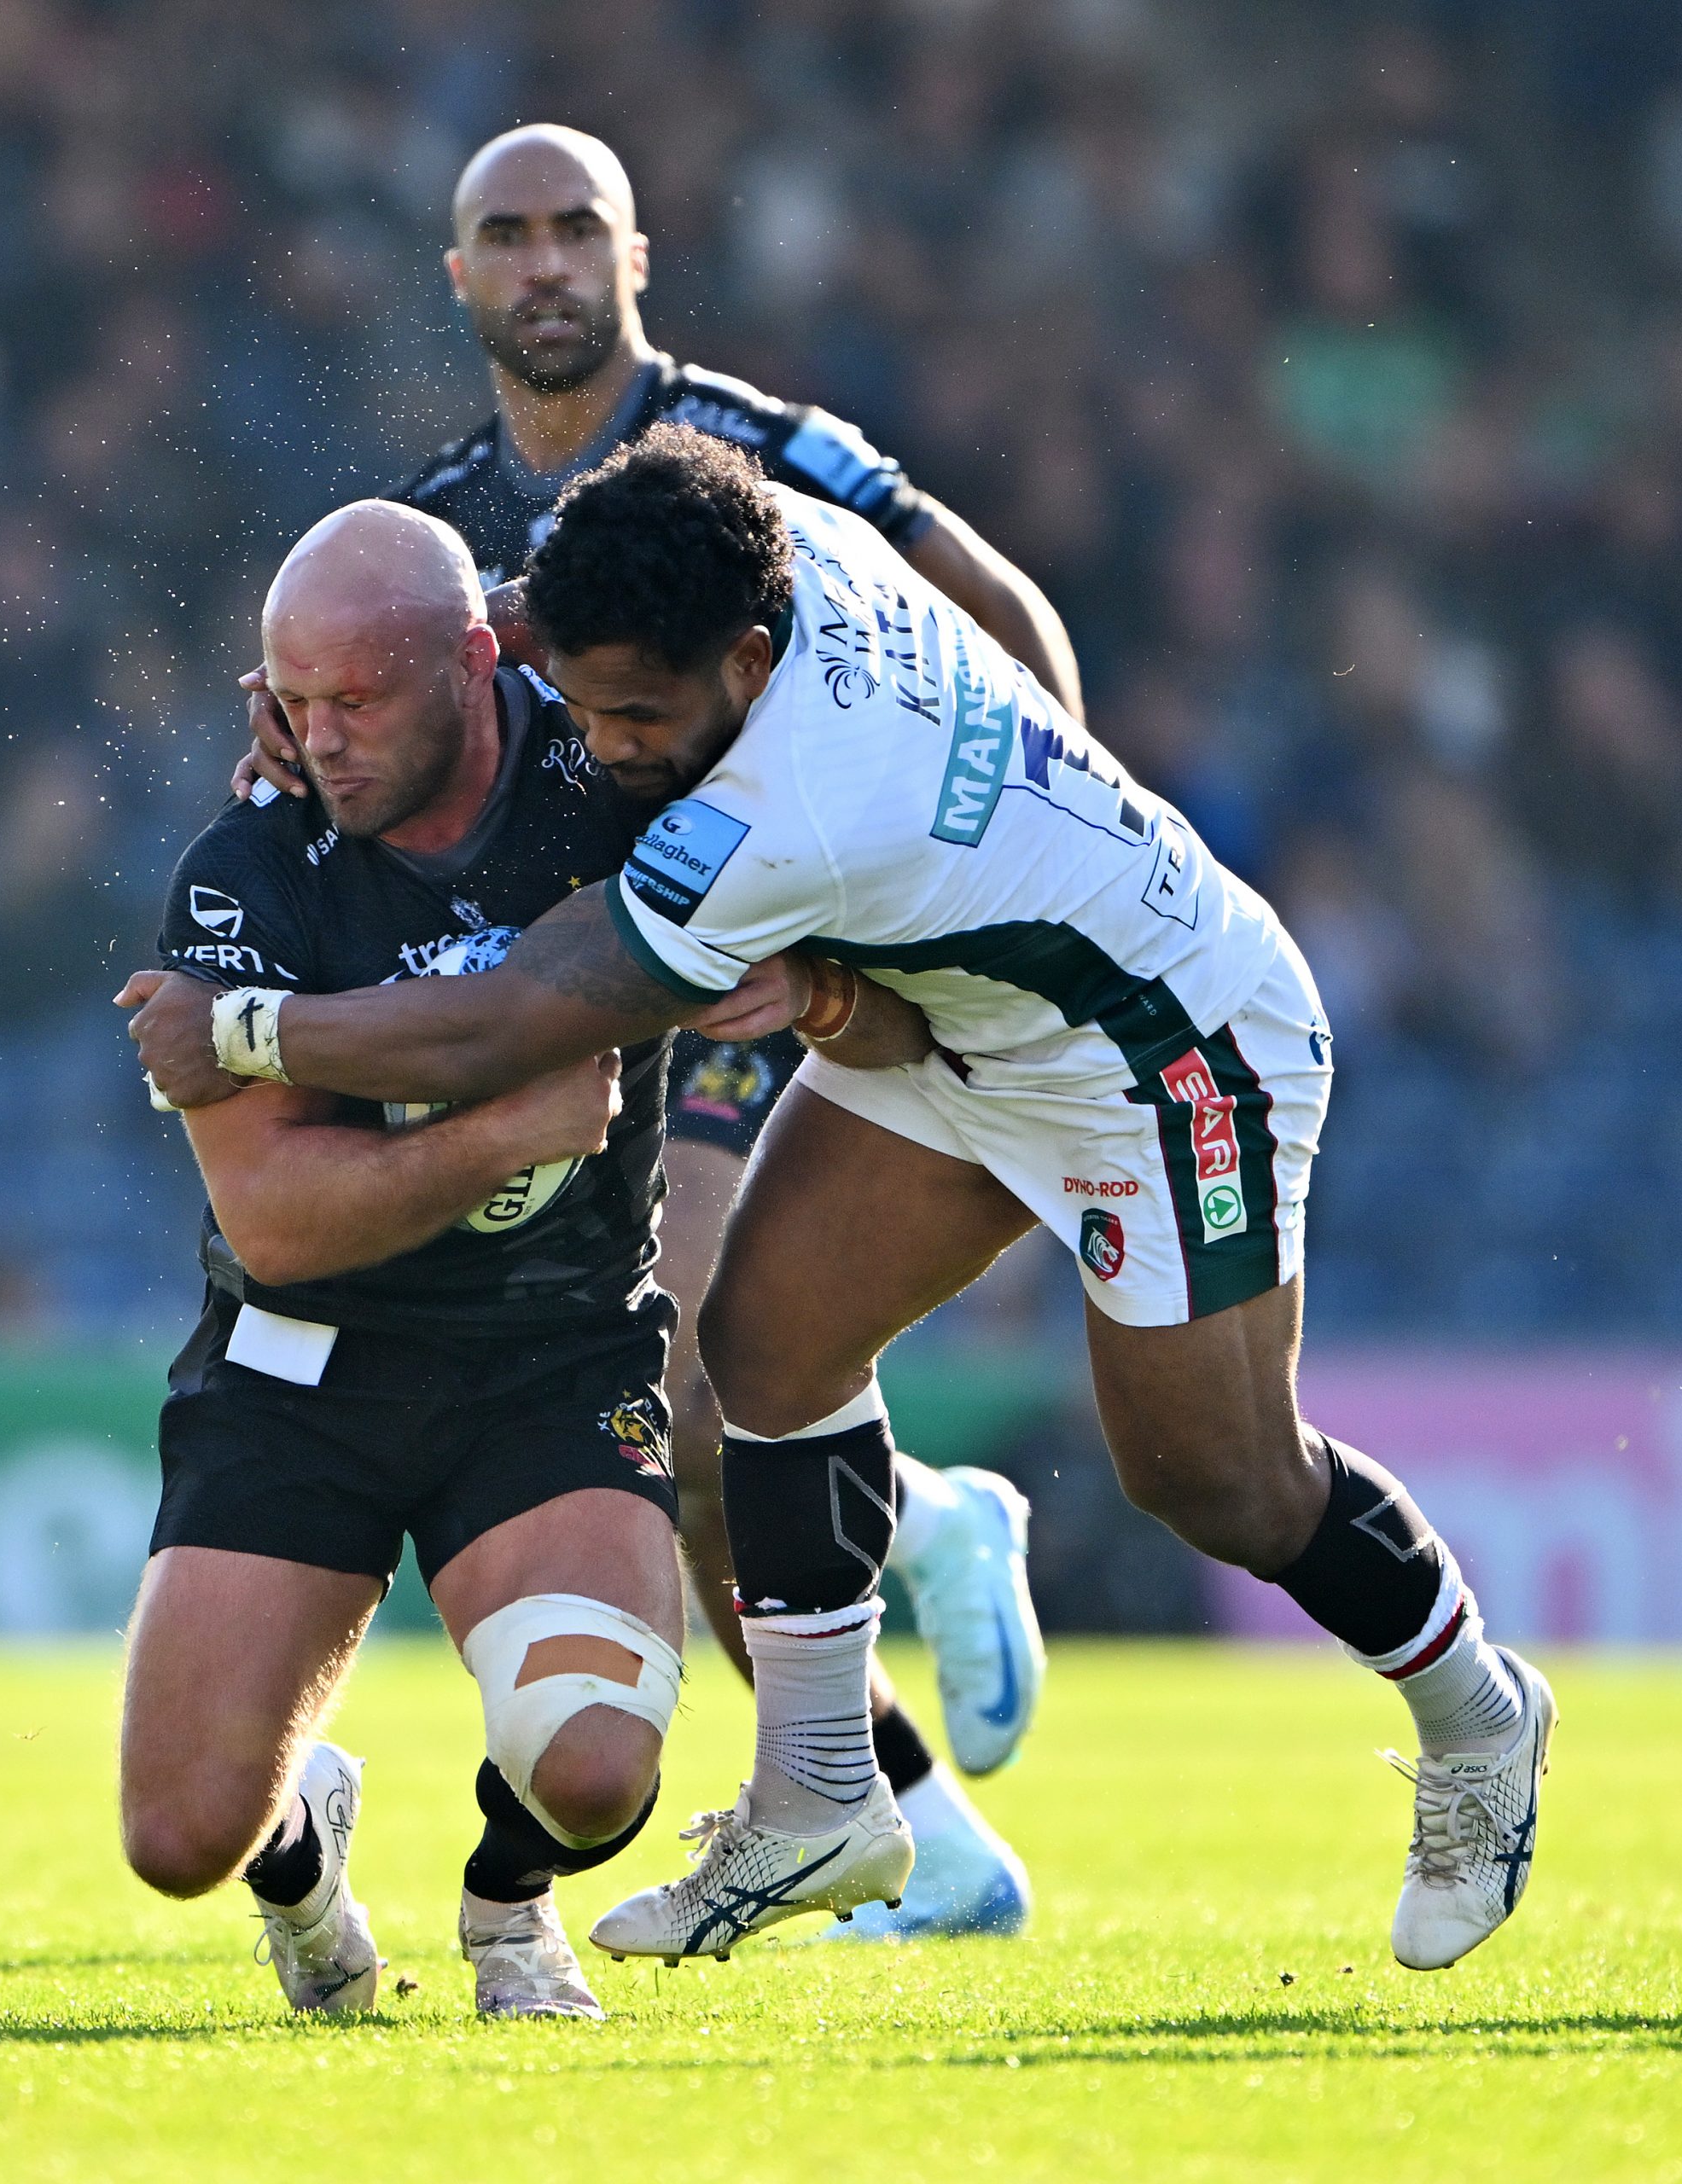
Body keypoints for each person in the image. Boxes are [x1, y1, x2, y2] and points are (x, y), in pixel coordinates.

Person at [127, 425, 1557, 1978]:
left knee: (1216, 1484)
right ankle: (819, 1791)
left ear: (744, 668)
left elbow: (508, 1017)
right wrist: (365, 687)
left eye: (636, 718)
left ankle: (1480, 1719)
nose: (598, 746)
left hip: (1164, 1050)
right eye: (586, 704)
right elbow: (538, 615)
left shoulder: (773, 817)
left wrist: (243, 1031)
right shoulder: (777, 547)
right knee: (762, 1343)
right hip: (964, 1006)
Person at [242, 119, 1062, 1937]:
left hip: (785, 955)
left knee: (696, 1356)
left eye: (572, 230)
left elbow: (1002, 622)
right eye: (502, 235)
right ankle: (918, 1741)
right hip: (611, 970)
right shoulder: (439, 520)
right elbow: (400, 744)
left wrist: (1025, 880)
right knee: (665, 1421)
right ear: (456, 274)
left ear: (634, 256)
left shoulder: (756, 454)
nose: (540, 264)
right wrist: (312, 740)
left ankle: (906, 1590)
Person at [115, 496, 885, 2021]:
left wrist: (811, 971)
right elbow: (272, 1217)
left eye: (358, 700)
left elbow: (801, 707)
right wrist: (502, 1132)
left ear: (476, 662)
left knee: (597, 1772)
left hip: (554, 1353)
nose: (317, 741)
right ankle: (300, 1850)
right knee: (177, 1839)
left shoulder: (611, 768)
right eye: (291, 701)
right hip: (300, 1369)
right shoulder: (244, 867)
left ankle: (504, 1900)